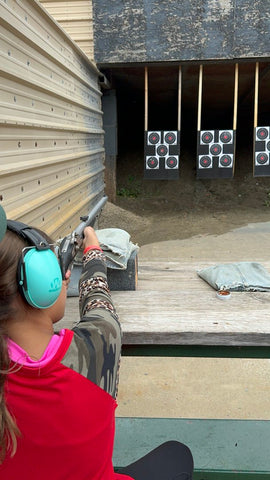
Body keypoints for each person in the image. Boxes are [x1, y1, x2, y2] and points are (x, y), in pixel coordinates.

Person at [0, 214, 194, 479]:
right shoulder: (96, 345)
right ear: (43, 283)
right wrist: (93, 248)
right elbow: (98, 300)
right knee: (176, 455)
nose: (65, 273)